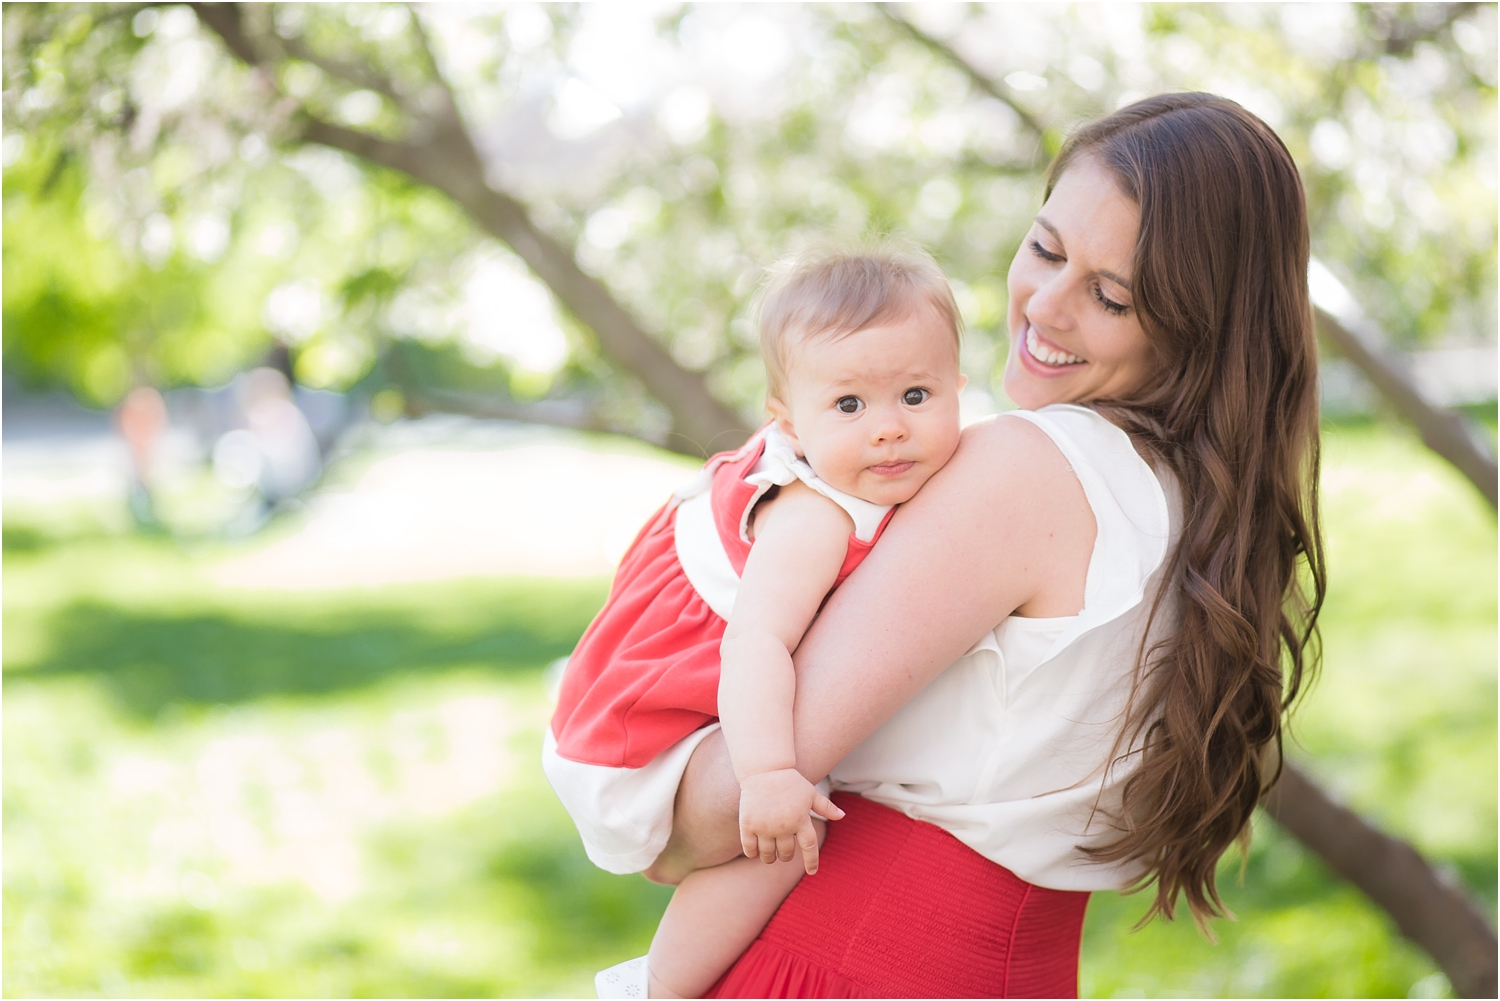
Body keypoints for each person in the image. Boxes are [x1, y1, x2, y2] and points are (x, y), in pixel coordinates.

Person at [643, 92, 1326, 999]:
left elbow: (728, 805)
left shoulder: (1028, 467)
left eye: (1110, 295)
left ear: (1197, 324)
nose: (1044, 305)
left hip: (844, 966)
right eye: (1045, 248)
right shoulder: (1197, 500)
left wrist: (617, 778)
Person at [543, 247, 970, 998]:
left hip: (665, 691)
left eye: (916, 394)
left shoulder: (868, 468)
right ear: (789, 422)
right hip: (652, 727)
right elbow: (756, 639)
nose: (889, 429)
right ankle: (660, 983)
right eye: (849, 406)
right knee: (786, 831)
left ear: (958, 388)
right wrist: (769, 772)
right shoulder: (814, 516)